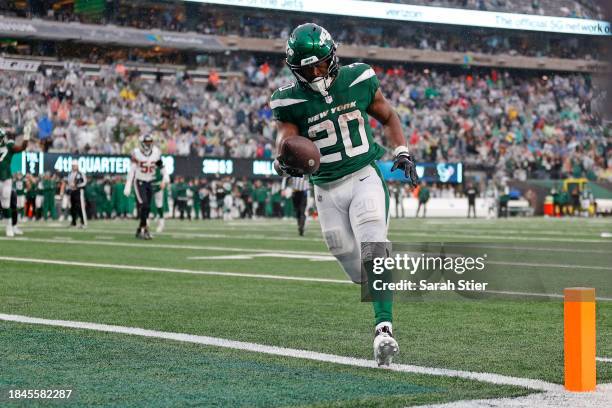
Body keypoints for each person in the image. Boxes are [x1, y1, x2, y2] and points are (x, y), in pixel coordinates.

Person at [271, 23, 418, 366]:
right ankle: (382, 280)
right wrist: (283, 161)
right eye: (307, 68)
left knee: (373, 243)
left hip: (364, 174)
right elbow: (286, 143)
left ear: (332, 57)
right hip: (325, 187)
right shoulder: (288, 99)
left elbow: (388, 114)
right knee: (353, 264)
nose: (316, 72)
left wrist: (402, 151)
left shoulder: (359, 78)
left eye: (320, 64)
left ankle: (384, 331)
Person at [124, 134, 168, 239]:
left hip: (149, 181)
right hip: (139, 182)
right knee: (144, 205)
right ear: (142, 143)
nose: (148, 145)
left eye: (150, 142)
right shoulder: (137, 153)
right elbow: (132, 170)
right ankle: (144, 229)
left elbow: (161, 166)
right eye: (146, 143)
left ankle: (140, 229)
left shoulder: (156, 152)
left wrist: (166, 176)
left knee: (147, 207)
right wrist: (128, 184)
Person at [0, 126, 29, 237]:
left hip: (6, 178)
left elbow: (22, 148)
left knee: (7, 203)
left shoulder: (9, 146)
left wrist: (26, 137)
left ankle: (10, 227)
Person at [66, 161, 87, 228]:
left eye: (75, 165)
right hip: (72, 192)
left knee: (80, 207)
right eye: (73, 165)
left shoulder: (81, 174)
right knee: (72, 208)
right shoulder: (70, 174)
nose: (74, 167)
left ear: (77, 166)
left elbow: (85, 182)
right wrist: (69, 189)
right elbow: (69, 183)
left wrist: (77, 185)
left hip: (79, 192)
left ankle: (83, 222)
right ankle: (73, 222)